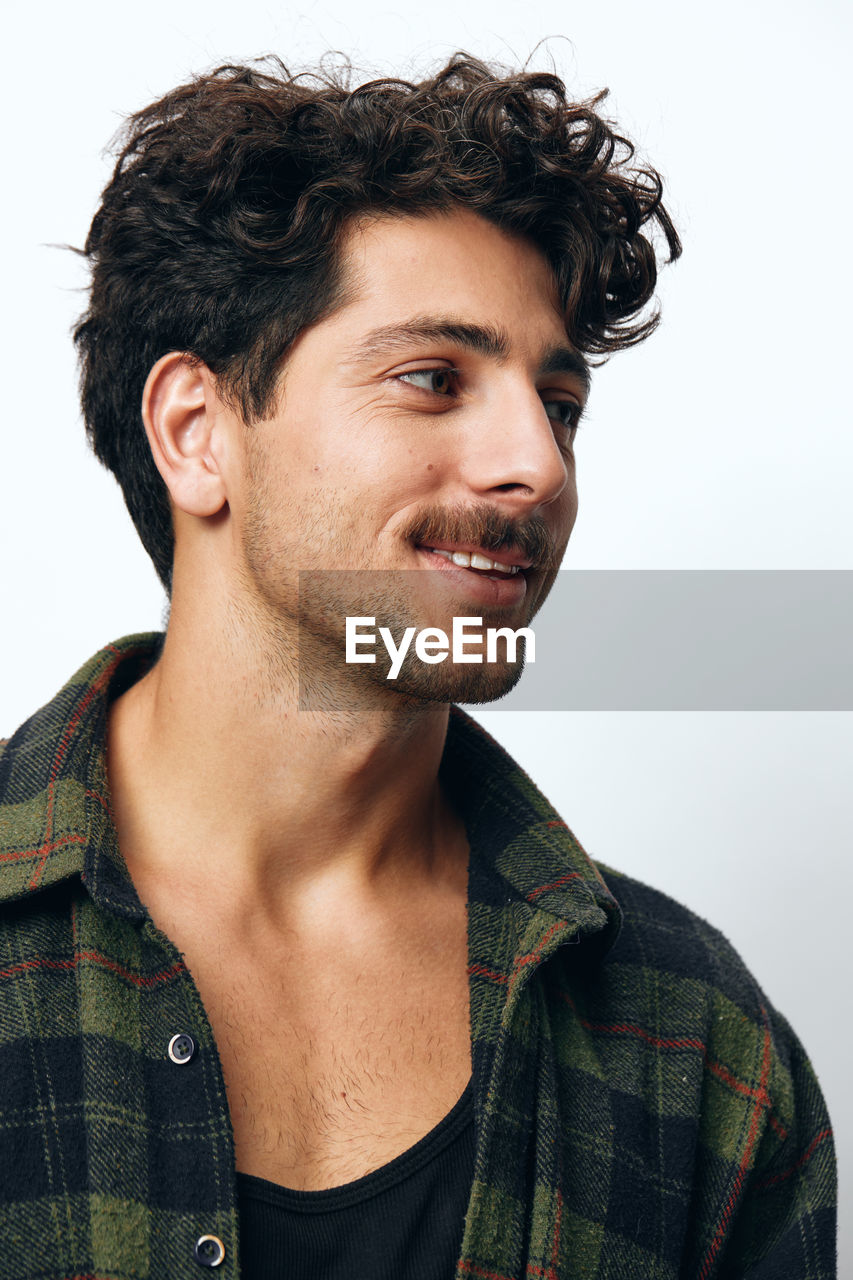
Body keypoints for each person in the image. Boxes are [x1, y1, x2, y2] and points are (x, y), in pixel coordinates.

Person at [0, 54, 835, 1279]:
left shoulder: (697, 1039)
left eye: (558, 403)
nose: (538, 468)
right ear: (196, 433)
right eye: (432, 379)